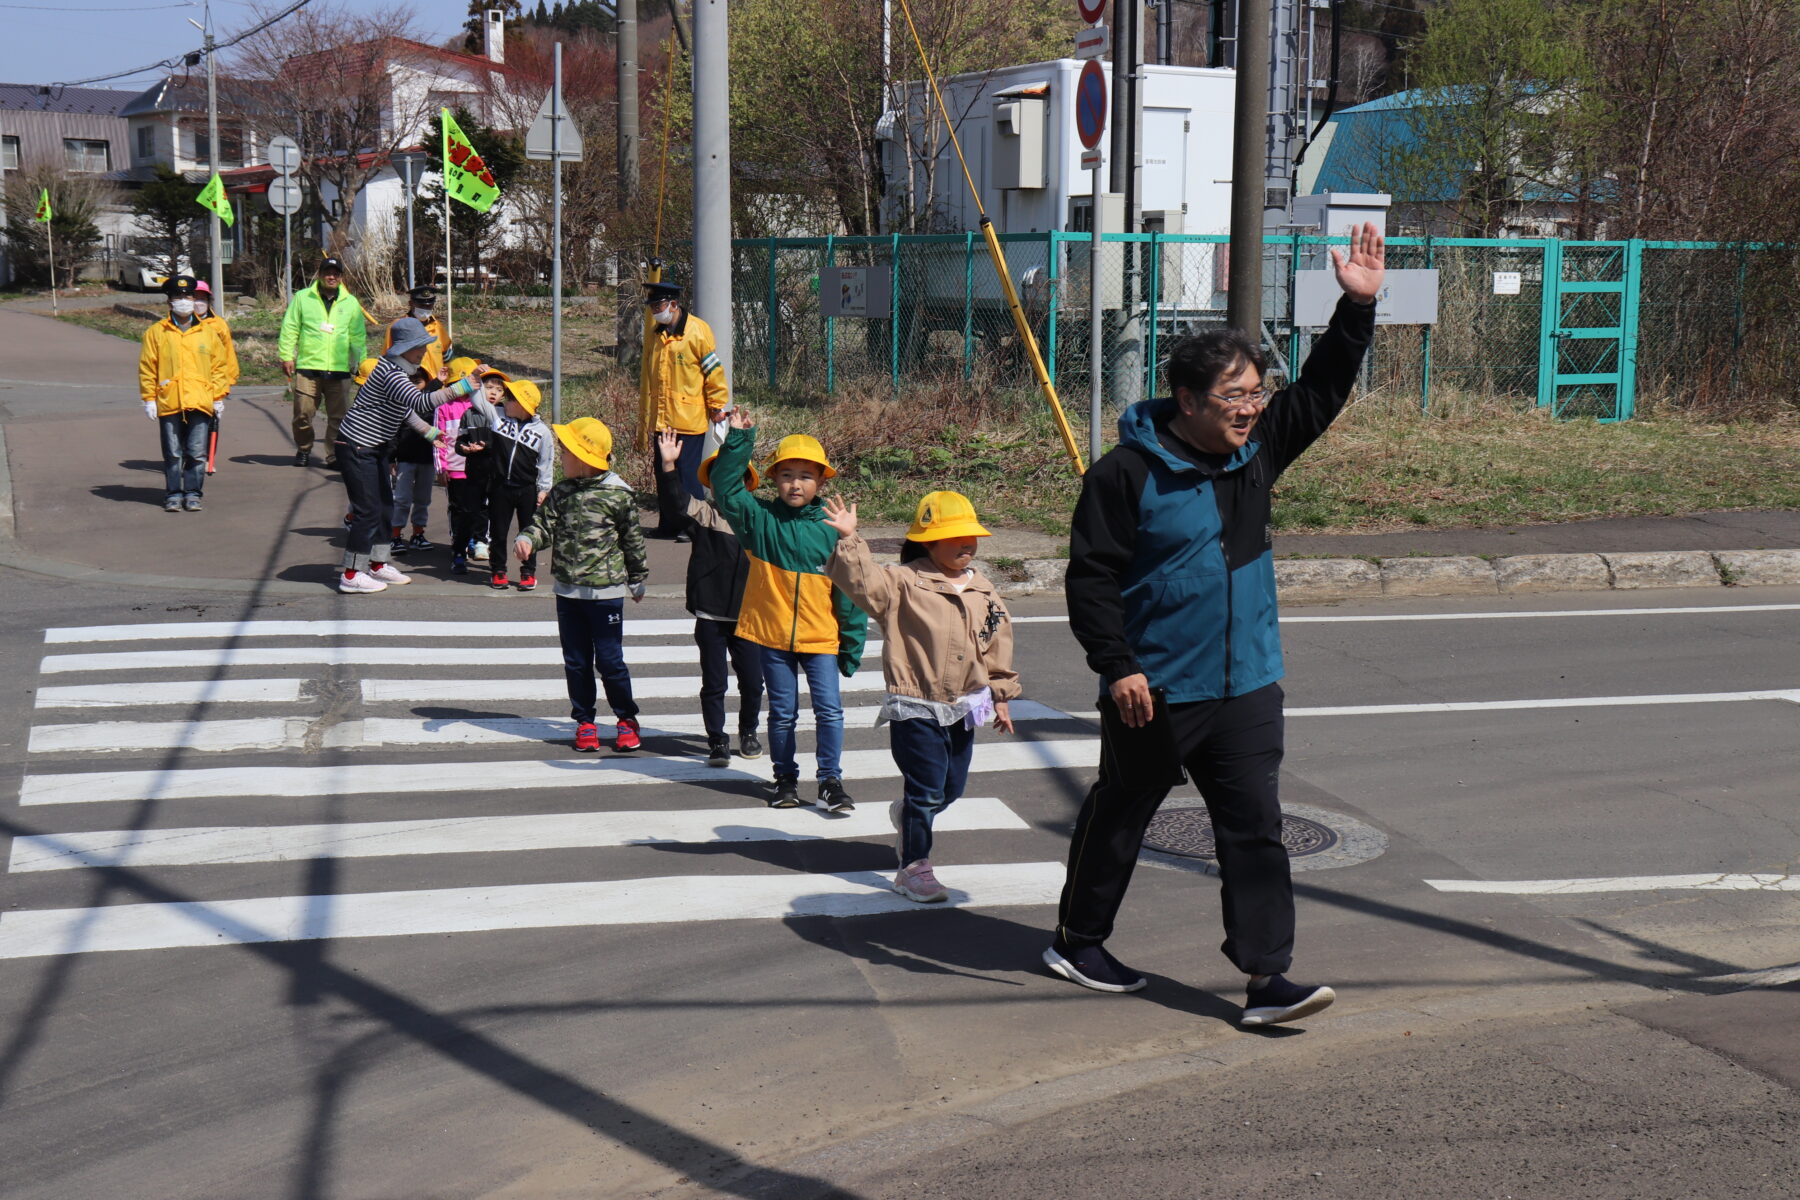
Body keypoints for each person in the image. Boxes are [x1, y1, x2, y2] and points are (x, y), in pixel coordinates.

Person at [1046, 222, 1386, 1028]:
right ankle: (1078, 937)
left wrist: (1356, 309)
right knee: (1122, 814)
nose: (1250, 408)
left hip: (1246, 685)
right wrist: (1118, 664)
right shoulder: (1125, 474)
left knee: (1255, 831)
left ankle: (1268, 978)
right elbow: (1090, 577)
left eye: (1255, 393)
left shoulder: (1255, 451)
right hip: (1155, 688)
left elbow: (1324, 389)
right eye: (1233, 397)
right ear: (1188, 401)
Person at [823, 490, 1021, 904]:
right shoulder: (903, 582)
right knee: (928, 789)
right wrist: (849, 539)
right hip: (916, 703)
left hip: (965, 704)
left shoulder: (984, 590)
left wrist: (1000, 696)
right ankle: (914, 868)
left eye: (971, 536)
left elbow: (996, 646)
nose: (967, 544)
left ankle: (908, 813)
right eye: (955, 537)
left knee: (950, 789)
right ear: (928, 541)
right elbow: (862, 583)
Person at [708, 408, 867, 812]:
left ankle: (831, 781)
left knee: (830, 711)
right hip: (772, 636)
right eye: (786, 474)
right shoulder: (759, 521)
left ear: (821, 481)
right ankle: (785, 780)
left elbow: (851, 594)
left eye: (806, 476)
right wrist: (740, 439)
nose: (796, 484)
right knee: (782, 713)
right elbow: (725, 489)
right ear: (775, 479)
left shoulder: (833, 528)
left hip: (822, 639)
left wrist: (851, 647)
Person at [517, 417, 650, 752]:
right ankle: (585, 722)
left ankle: (625, 719)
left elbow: (632, 540)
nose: (561, 456)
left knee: (610, 661)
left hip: (605, 593)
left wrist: (637, 579)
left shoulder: (618, 495)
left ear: (585, 458)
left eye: (566, 451)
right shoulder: (562, 492)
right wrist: (528, 538)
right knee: (576, 661)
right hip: (568, 591)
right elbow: (543, 523)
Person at [334, 320, 482, 594]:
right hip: (356, 446)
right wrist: (463, 386)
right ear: (403, 349)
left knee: (385, 507)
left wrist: (429, 432)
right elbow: (421, 402)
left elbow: (403, 410)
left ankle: (377, 564)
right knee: (367, 510)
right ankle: (352, 573)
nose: (422, 353)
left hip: (373, 447)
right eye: (417, 349)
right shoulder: (391, 374)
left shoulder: (397, 372)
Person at [657, 427, 765, 768]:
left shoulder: (759, 519)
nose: (726, 484)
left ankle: (748, 731)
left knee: (753, 681)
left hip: (750, 617)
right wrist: (669, 466)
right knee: (714, 683)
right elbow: (674, 503)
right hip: (710, 615)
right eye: (719, 477)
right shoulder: (705, 514)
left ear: (747, 484)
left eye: (735, 477)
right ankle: (717, 741)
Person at [639, 278, 729, 541]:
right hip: (663, 420)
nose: (655, 311)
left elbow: (714, 372)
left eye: (659, 305)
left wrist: (717, 406)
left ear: (674, 304)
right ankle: (669, 524)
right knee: (664, 474)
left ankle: (693, 525)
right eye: (652, 307)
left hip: (689, 420)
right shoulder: (658, 335)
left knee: (687, 476)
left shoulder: (698, 331)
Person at [455, 369, 554, 591]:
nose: (504, 401)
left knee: (529, 531)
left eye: (510, 399)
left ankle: (528, 572)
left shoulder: (542, 432)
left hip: (527, 489)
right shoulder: (497, 417)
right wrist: (475, 377)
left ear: (522, 405)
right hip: (500, 487)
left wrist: (544, 489)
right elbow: (476, 398)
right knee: (498, 532)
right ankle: (498, 571)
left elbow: (546, 462)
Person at [137, 274, 227, 513]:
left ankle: (193, 492)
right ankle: (174, 493)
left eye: (188, 296)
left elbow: (219, 366)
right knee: (173, 452)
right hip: (170, 400)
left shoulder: (208, 332)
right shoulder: (156, 332)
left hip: (200, 400)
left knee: (197, 452)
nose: (184, 301)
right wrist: (148, 398)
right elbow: (148, 367)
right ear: (169, 302)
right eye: (178, 296)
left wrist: (218, 396)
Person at [279, 256, 368, 468]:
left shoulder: (351, 302)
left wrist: (361, 365)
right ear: (320, 275)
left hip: (339, 370)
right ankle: (303, 448)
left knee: (338, 418)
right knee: (302, 414)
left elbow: (357, 337)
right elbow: (290, 327)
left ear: (341, 277)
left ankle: (333, 455)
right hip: (309, 367)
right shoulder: (302, 298)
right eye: (327, 273)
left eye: (336, 273)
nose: (331, 277)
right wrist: (286, 355)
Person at [434, 356, 487, 575]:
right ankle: (459, 544)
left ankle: (478, 539)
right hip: (455, 468)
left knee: (481, 506)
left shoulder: (481, 404)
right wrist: (441, 468)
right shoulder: (444, 406)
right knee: (458, 508)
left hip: (479, 467)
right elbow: (437, 438)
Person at [385, 285, 450, 383]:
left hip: (437, 387)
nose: (425, 309)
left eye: (429, 306)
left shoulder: (438, 327)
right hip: (410, 388)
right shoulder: (397, 327)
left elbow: (447, 356)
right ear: (411, 304)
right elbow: (388, 357)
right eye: (421, 305)